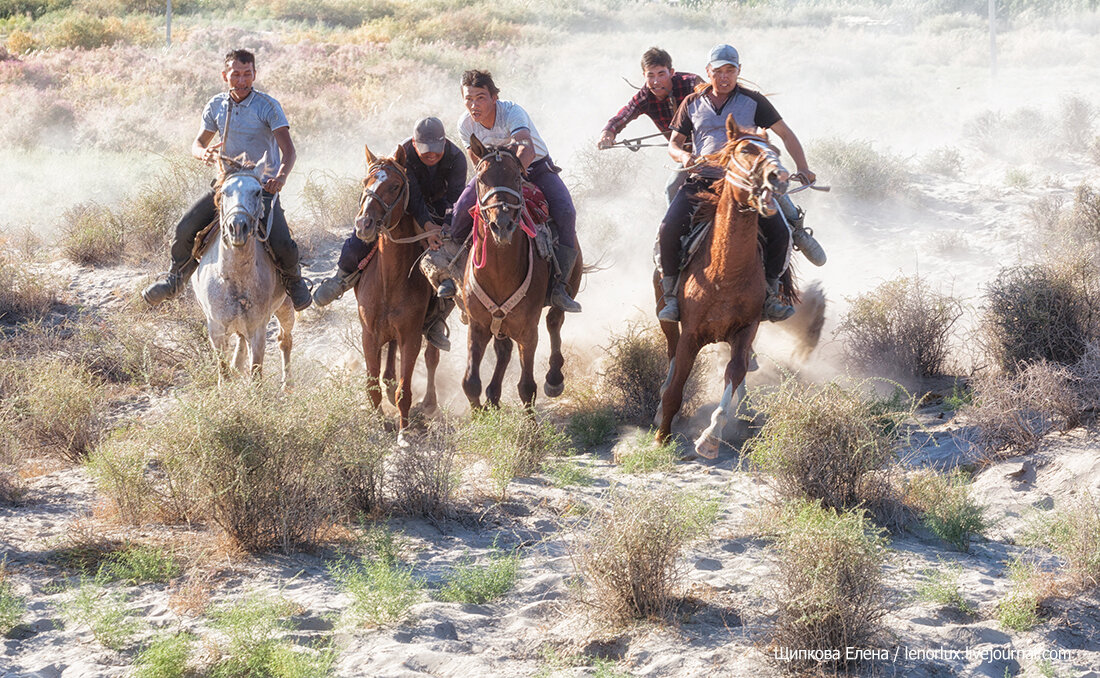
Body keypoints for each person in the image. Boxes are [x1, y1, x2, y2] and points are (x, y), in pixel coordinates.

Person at [657, 43, 823, 324]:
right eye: (718, 71)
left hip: (747, 185)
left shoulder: (754, 101)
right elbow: (674, 143)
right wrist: (685, 155)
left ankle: (772, 294)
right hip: (703, 181)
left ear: (738, 71)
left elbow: (785, 134)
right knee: (668, 229)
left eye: (730, 71)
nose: (724, 77)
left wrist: (804, 167)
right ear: (708, 72)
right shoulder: (692, 103)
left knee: (779, 231)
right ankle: (672, 294)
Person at [142, 49, 311, 311]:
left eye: (247, 74)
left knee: (281, 241)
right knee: (185, 228)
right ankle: (174, 280)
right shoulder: (216, 105)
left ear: (254, 74)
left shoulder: (268, 106)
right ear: (225, 76)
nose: (242, 81)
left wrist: (280, 178)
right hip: (227, 186)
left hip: (260, 187)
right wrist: (203, 153)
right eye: (236, 75)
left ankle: (294, 283)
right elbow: (197, 144)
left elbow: (289, 151)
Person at [312, 117, 467, 351]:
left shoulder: (456, 159)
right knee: (365, 233)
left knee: (453, 256)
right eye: (425, 150)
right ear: (414, 143)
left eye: (436, 149)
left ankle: (437, 317)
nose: (431, 155)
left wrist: (443, 228)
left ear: (444, 143)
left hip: (440, 209)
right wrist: (424, 225)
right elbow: (413, 196)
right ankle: (342, 277)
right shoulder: (404, 153)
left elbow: (455, 198)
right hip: (403, 205)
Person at [441, 69, 581, 313]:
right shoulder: (464, 124)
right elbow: (476, 159)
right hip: (493, 173)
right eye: (468, 98)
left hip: (534, 167)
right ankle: (457, 280)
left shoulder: (512, 112)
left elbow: (525, 148)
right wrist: (492, 184)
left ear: (494, 97)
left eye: (481, 97)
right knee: (459, 214)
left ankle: (559, 286)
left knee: (566, 211)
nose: (474, 104)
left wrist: (516, 177)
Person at [598, 47, 703, 205]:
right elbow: (624, 115)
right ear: (644, 76)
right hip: (686, 155)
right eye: (651, 75)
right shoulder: (645, 97)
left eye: (661, 74)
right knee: (672, 188)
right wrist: (608, 133)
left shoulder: (691, 83)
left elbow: (716, 100)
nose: (656, 81)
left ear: (671, 72)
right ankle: (672, 229)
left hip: (713, 147)